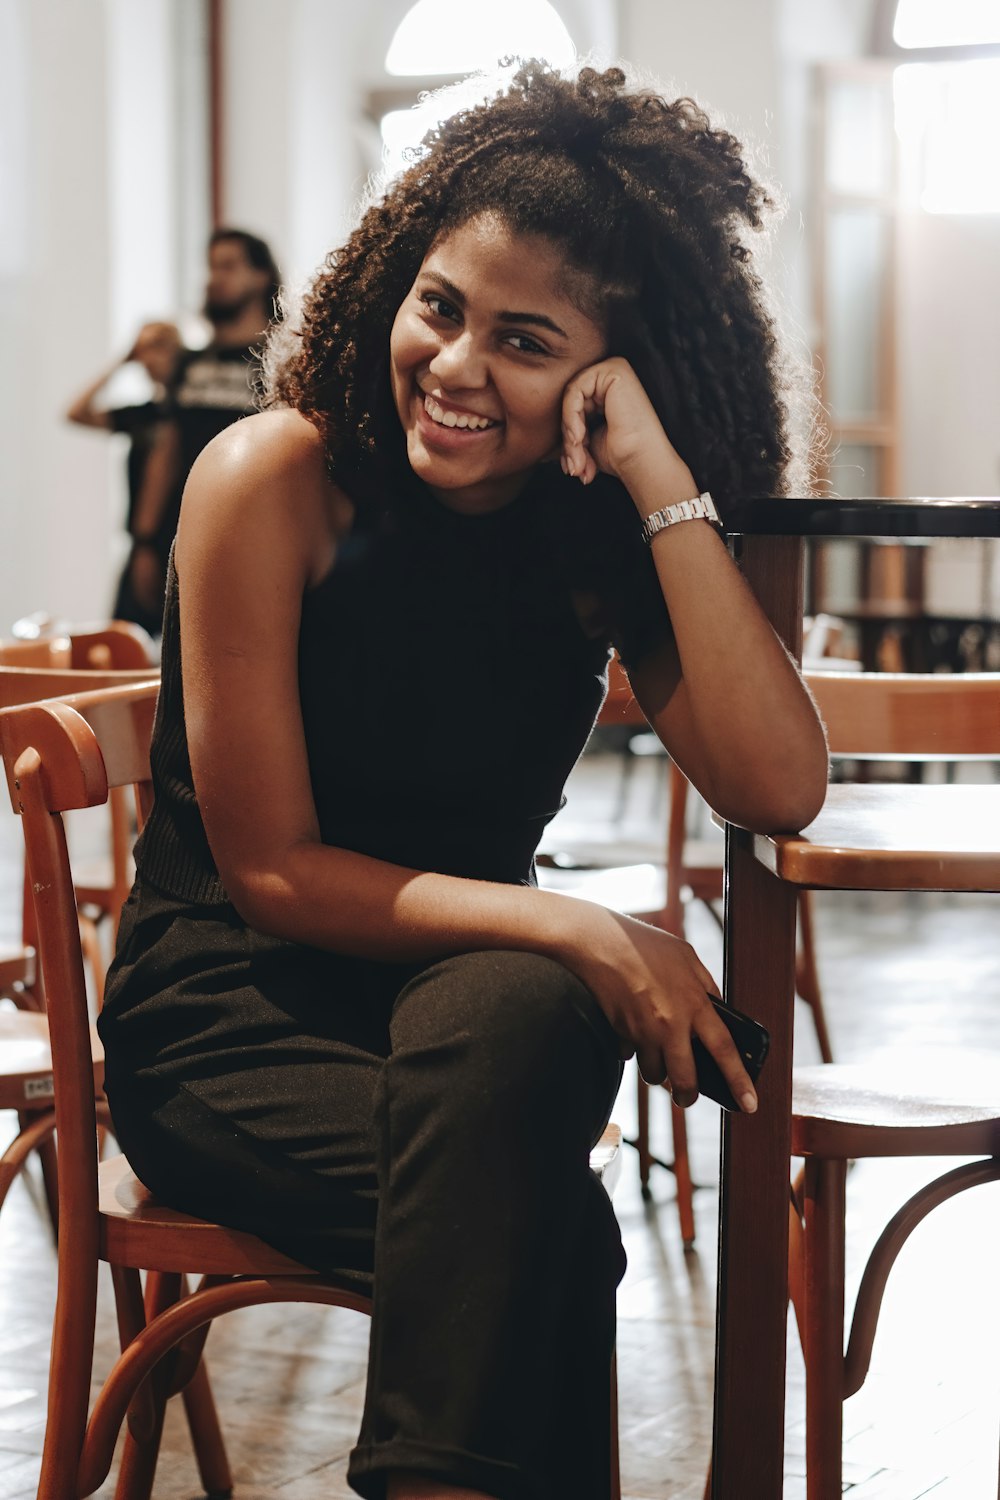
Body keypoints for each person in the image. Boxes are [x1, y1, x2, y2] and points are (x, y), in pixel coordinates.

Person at [98, 62, 829, 1500]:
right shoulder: (275, 480)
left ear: (613, 369)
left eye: (528, 339)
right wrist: (578, 924)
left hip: (461, 1026)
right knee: (551, 1216)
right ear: (391, 278)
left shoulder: (588, 536)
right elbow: (275, 875)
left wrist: (657, 475)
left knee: (515, 1012)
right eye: (439, 305)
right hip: (233, 1021)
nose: (454, 364)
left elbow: (778, 783)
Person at [65, 320, 183, 636]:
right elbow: (75, 412)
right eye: (142, 349)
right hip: (140, 544)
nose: (148, 357)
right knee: (122, 642)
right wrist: (121, 362)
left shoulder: (193, 416)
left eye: (157, 346)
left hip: (178, 540)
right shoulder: (142, 414)